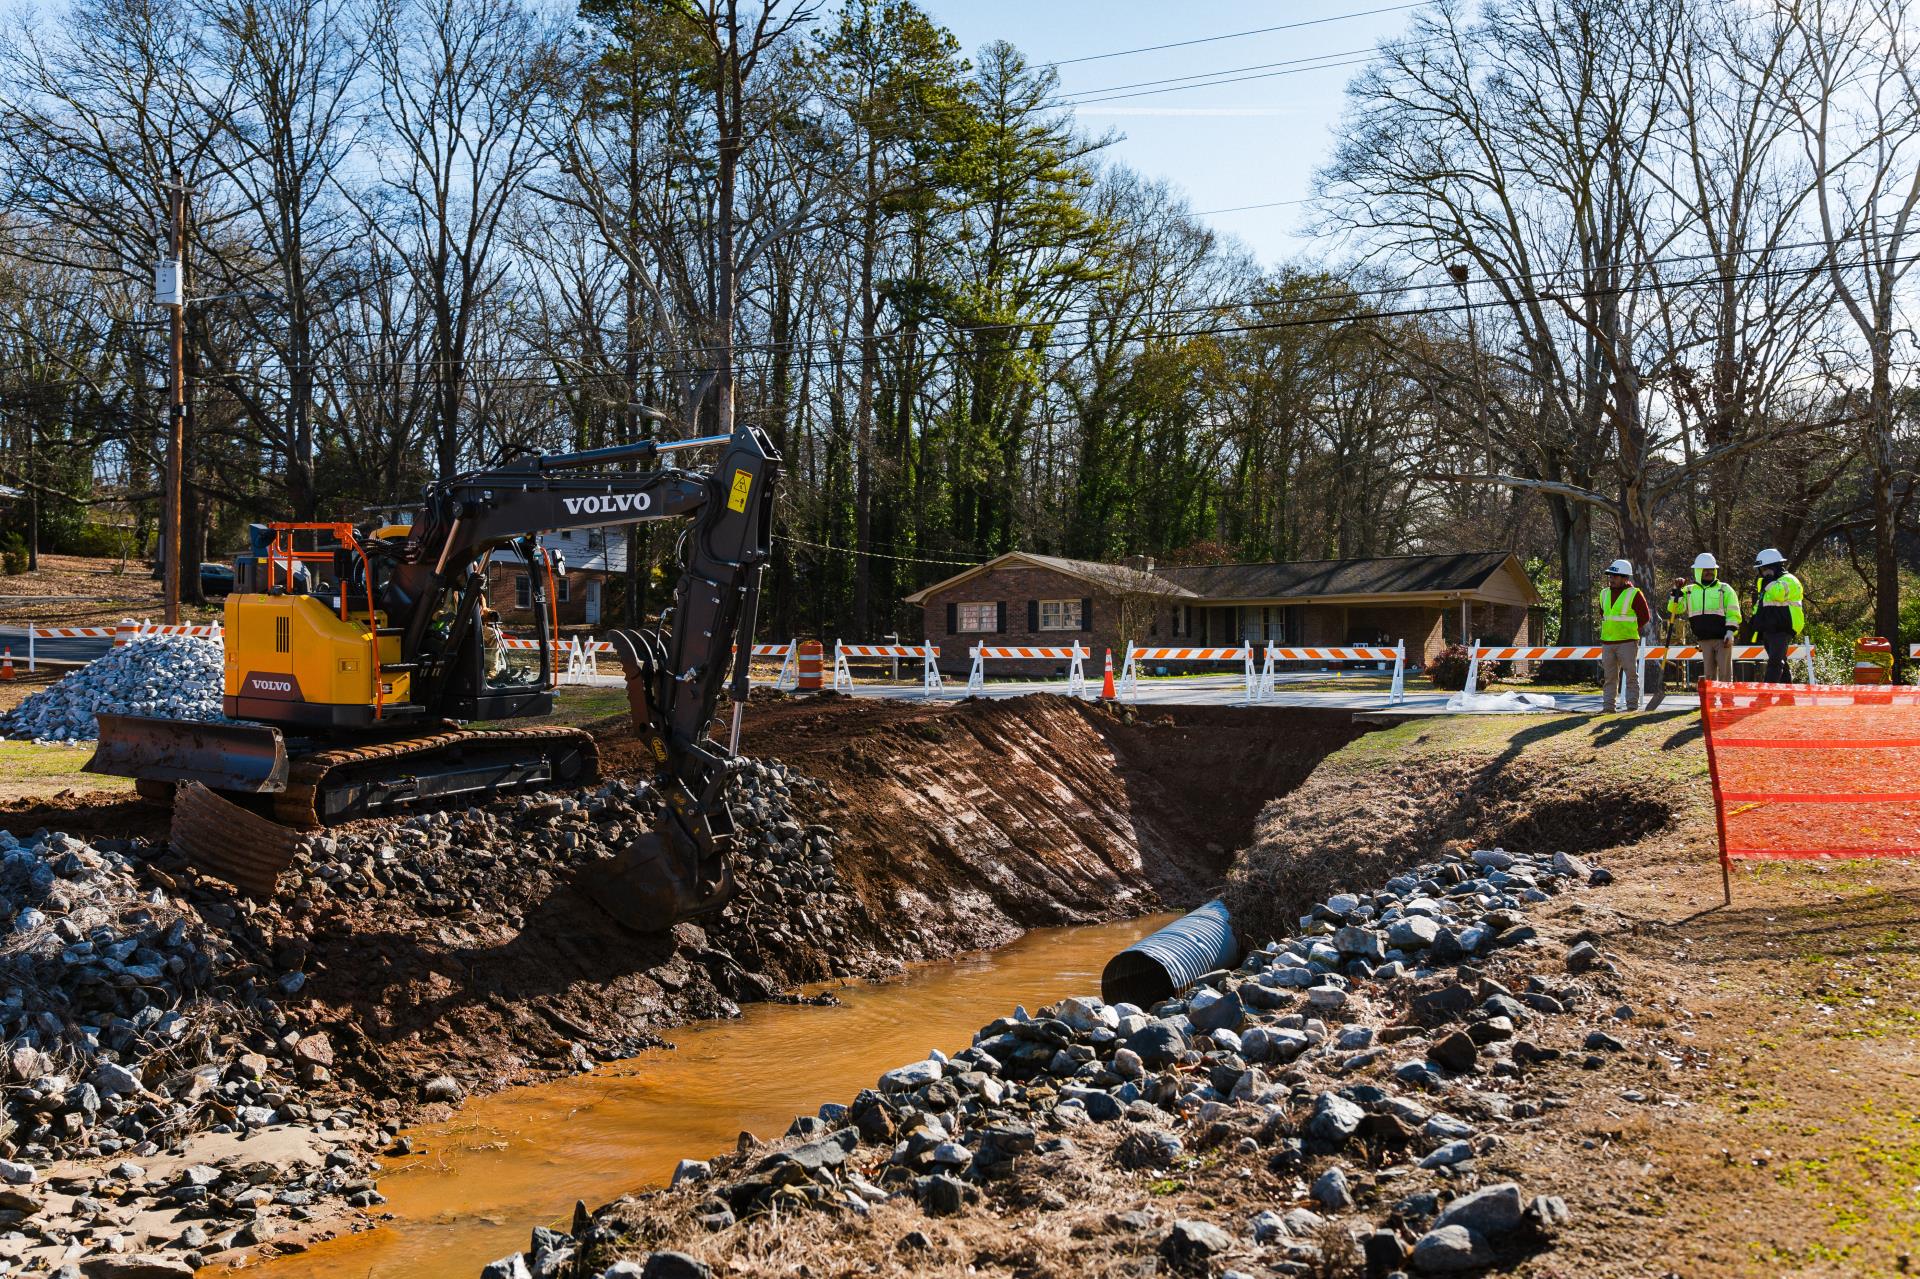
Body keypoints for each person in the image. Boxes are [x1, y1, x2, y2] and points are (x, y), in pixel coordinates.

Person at [1667, 552, 1742, 687]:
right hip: (1703, 639)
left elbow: (1733, 613)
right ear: (1698, 571)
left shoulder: (1725, 589)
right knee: (1709, 675)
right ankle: (1711, 703)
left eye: (1711, 569)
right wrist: (1675, 591)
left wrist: (1730, 632)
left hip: (1722, 638)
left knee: (1725, 674)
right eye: (1705, 570)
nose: (1709, 572)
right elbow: (1675, 609)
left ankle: (1726, 703)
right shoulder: (1688, 591)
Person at [1599, 558, 1652, 712]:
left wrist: (1629, 629)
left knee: (1630, 676)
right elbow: (1603, 614)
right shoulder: (1603, 593)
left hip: (1627, 642)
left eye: (1615, 576)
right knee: (1609, 678)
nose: (1611, 579)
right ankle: (1608, 708)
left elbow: (1644, 617)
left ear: (1625, 578)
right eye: (1610, 576)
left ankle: (1632, 708)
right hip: (1608, 642)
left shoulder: (1635, 594)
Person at [1747, 547, 1804, 683]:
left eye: (1762, 569)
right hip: (1768, 628)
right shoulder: (1766, 582)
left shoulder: (1789, 580)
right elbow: (1762, 602)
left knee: (1775, 662)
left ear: (1772, 567)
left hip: (1783, 626)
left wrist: (1769, 580)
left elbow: (1778, 595)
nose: (1761, 572)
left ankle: (1767, 692)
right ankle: (1787, 694)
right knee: (1780, 661)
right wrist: (1755, 619)